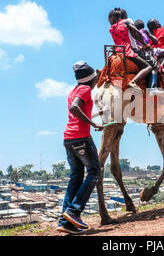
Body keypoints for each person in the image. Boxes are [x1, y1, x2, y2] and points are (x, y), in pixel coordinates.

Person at [57, 61, 104, 234]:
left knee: (76, 177)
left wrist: (95, 117)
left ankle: (65, 222)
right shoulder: (84, 90)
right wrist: (93, 123)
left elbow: (77, 110)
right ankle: (74, 211)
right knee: (94, 172)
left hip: (68, 139)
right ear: (91, 80)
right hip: (81, 138)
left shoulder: (74, 90)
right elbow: (75, 108)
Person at [108, 8, 154, 93]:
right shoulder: (126, 22)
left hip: (117, 52)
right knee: (149, 67)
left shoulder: (111, 29)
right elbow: (138, 34)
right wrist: (144, 44)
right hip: (129, 51)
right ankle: (134, 82)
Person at [134, 19, 164, 92]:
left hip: (142, 52)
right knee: (158, 66)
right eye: (158, 22)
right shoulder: (146, 31)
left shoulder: (134, 34)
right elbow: (155, 41)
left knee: (151, 67)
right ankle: (161, 70)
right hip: (151, 51)